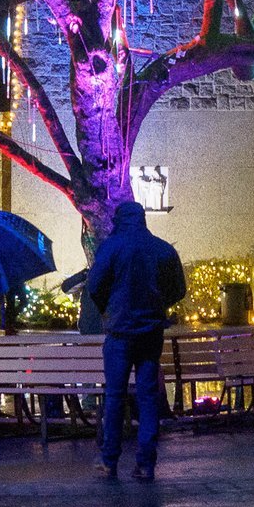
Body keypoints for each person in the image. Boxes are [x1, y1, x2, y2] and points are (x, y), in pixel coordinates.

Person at [87, 199, 187, 483]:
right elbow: (177, 289)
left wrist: (110, 308)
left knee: (115, 397)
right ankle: (146, 463)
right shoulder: (162, 250)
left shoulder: (111, 247)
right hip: (150, 332)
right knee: (147, 397)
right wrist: (158, 305)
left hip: (119, 333)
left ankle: (109, 460)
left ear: (120, 220)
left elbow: (95, 286)